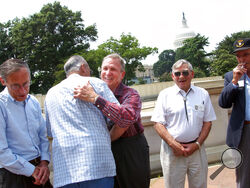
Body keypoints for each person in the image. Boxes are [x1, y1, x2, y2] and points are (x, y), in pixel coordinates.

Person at [74, 53, 150, 188]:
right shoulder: (90, 92)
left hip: (130, 150)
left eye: (113, 69)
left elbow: (126, 117)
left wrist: (96, 100)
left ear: (122, 74)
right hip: (104, 150)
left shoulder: (131, 94)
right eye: (105, 69)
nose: (107, 73)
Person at [44, 55, 119, 188]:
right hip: (96, 164)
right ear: (83, 68)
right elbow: (118, 115)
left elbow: (50, 131)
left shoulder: (51, 93)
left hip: (65, 169)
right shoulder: (95, 83)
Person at [151, 59, 216, 188]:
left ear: (192, 74)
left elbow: (207, 122)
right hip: (172, 151)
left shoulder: (203, 94)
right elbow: (158, 123)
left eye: (185, 73)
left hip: (197, 150)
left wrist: (196, 145)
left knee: (200, 185)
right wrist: (174, 145)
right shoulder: (165, 95)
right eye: (177, 73)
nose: (181, 77)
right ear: (172, 76)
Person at [0, 59, 52, 188]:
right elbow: (1, 151)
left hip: (39, 169)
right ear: (3, 81)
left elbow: (43, 135)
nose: (23, 91)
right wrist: (32, 171)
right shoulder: (1, 106)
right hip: (13, 175)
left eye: (26, 84)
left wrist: (44, 163)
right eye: (16, 86)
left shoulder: (33, 102)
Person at [219, 38, 250, 188]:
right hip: (244, 132)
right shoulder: (230, 77)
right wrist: (234, 82)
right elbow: (223, 103)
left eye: (246, 54)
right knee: (244, 176)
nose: (242, 59)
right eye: (238, 56)